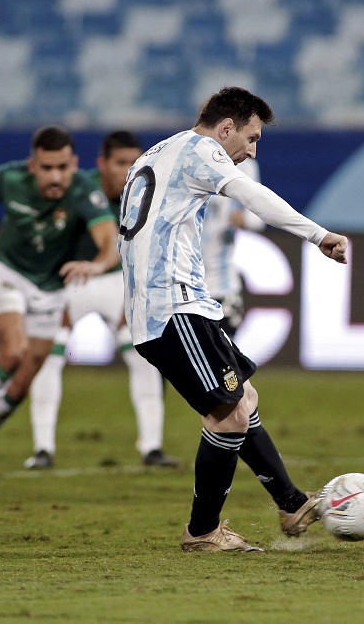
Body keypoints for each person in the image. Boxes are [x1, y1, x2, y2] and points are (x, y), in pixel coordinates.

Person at [118, 86, 349, 552]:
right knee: (227, 416)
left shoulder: (159, 151)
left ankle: (291, 503)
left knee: (243, 397)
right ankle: (202, 532)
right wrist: (318, 235)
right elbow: (251, 194)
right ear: (226, 128)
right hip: (172, 305)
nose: (252, 151)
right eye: (252, 137)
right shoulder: (201, 150)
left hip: (174, 304)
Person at [0, 125, 119, 476]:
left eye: (63, 167)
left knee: (25, 377)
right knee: (13, 352)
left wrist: (97, 265)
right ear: (32, 166)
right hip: (4, 270)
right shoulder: (9, 179)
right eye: (47, 168)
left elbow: (110, 241)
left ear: (74, 164)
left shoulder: (85, 192)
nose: (55, 176)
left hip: (51, 286)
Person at [25, 130, 179, 470]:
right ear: (102, 164)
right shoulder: (78, 187)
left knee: (146, 358)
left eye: (134, 162)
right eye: (120, 162)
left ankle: (152, 448)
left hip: (117, 283)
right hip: (72, 282)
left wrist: (136, 292)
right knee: (49, 356)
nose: (129, 170)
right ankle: (43, 449)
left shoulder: (147, 190)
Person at [201, 159, 265, 339]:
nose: (251, 151)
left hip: (222, 284)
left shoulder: (245, 166)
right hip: (184, 283)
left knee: (225, 351)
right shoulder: (189, 158)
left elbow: (258, 215)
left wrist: (244, 220)